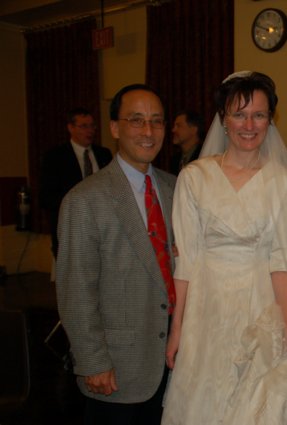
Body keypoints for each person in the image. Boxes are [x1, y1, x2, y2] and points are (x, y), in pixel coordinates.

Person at [161, 71, 287, 425]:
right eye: (239, 114)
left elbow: (284, 265)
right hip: (206, 311)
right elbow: (186, 262)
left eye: (259, 115)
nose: (249, 125)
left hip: (259, 311)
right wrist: (177, 329)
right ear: (223, 118)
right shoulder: (194, 178)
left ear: (270, 119)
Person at [56, 84, 176, 425]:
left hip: (173, 361)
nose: (148, 131)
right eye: (136, 120)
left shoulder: (176, 188)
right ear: (114, 128)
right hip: (118, 368)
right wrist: (92, 361)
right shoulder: (85, 200)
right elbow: (76, 289)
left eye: (157, 121)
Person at [41, 107, 112, 258]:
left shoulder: (104, 155)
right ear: (71, 128)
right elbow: (47, 197)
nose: (90, 131)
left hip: (103, 229)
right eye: (84, 126)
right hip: (70, 229)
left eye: (92, 126)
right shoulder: (55, 157)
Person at [169, 110, 204, 175]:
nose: (173, 130)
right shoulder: (174, 160)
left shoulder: (204, 156)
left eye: (178, 126)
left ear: (193, 130)